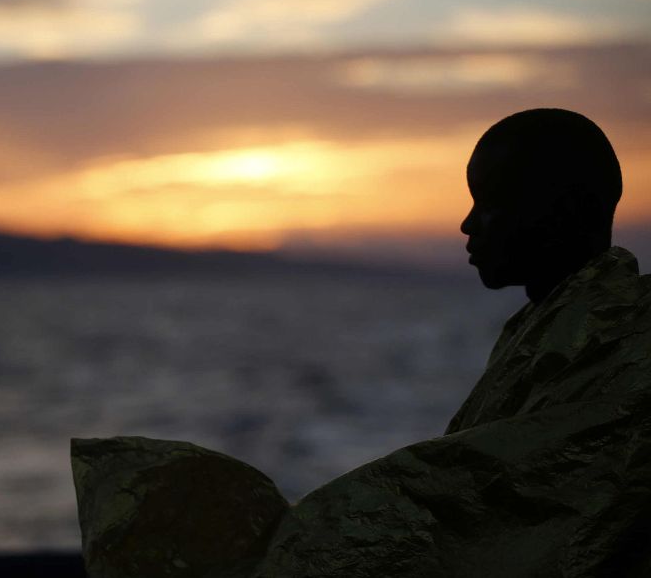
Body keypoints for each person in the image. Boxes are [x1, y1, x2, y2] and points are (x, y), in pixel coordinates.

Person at [73, 109, 651, 577]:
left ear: (568, 211)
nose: (468, 225)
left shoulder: (625, 337)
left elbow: (520, 494)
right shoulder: (543, 326)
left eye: (492, 203)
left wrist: (299, 538)